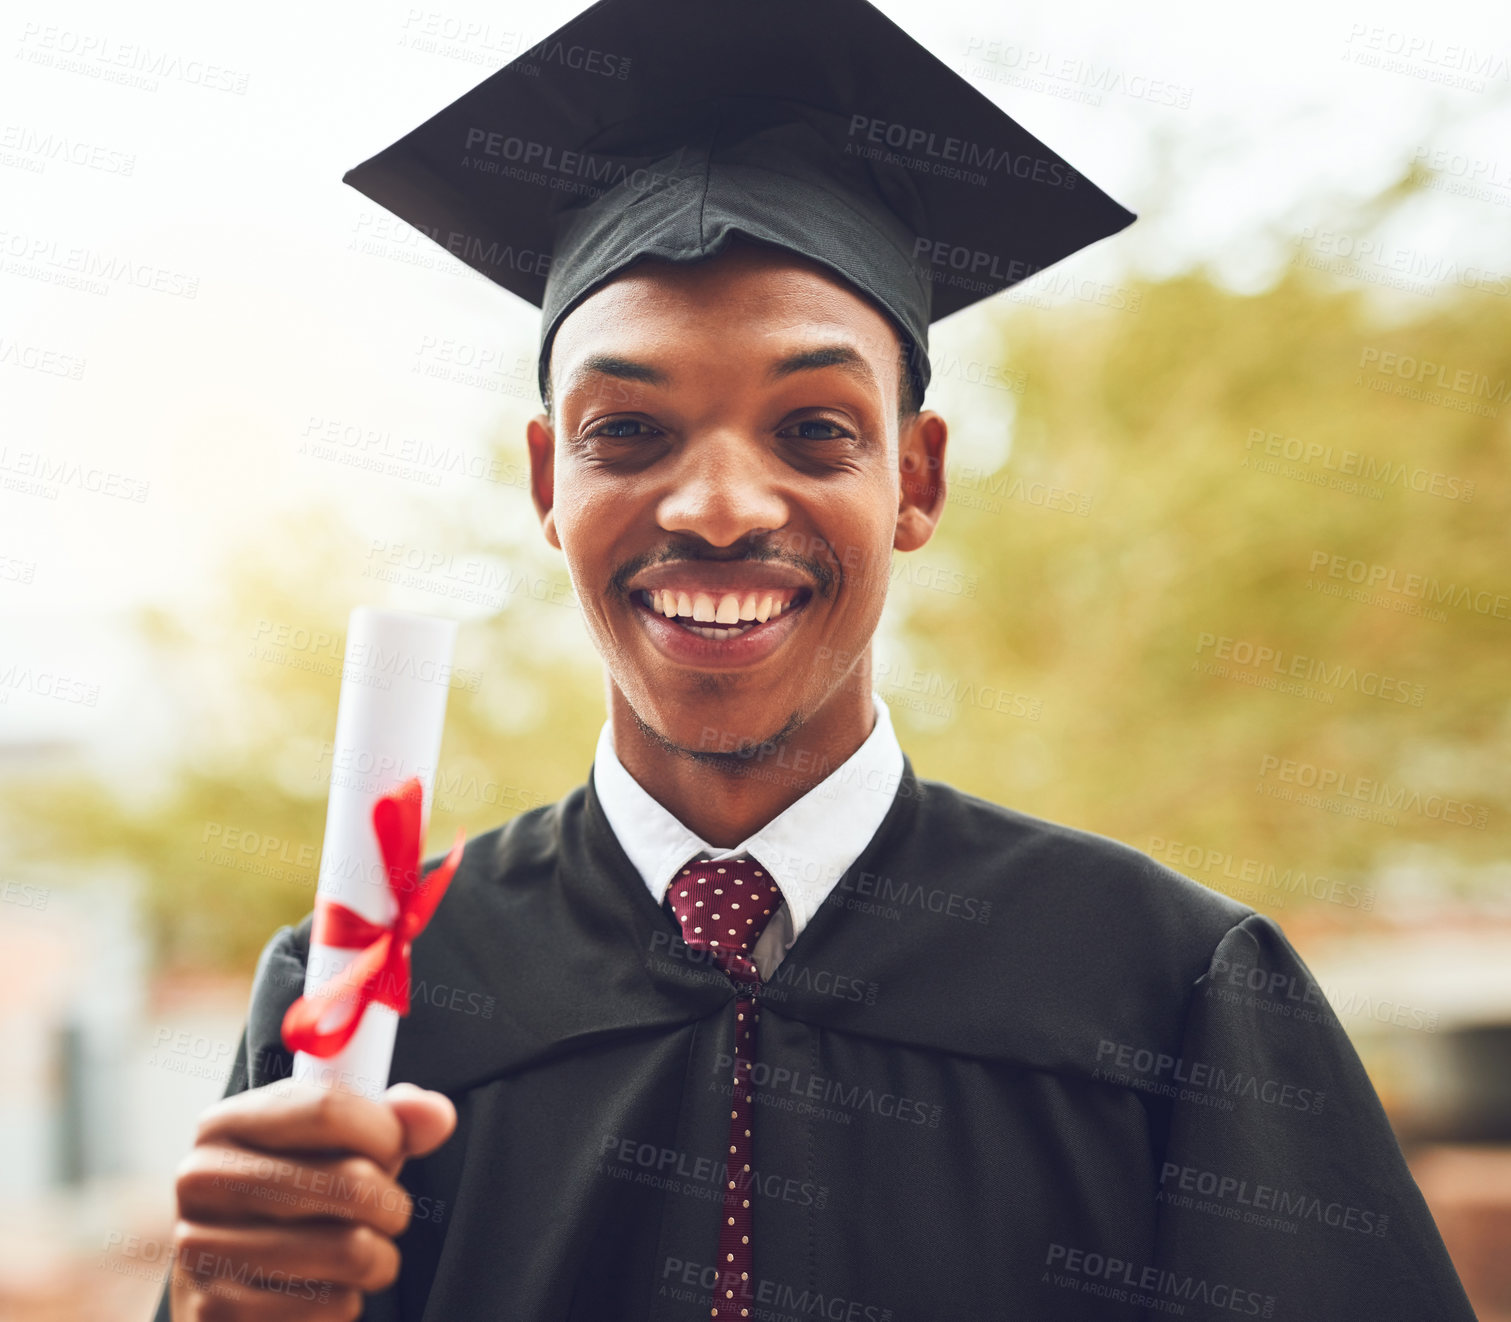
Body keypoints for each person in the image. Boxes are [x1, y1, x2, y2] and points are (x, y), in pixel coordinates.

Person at [156, 0, 1477, 1318]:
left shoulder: (1170, 991)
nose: (719, 507)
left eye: (811, 430)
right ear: (549, 480)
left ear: (915, 476)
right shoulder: (366, 996)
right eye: (629, 431)